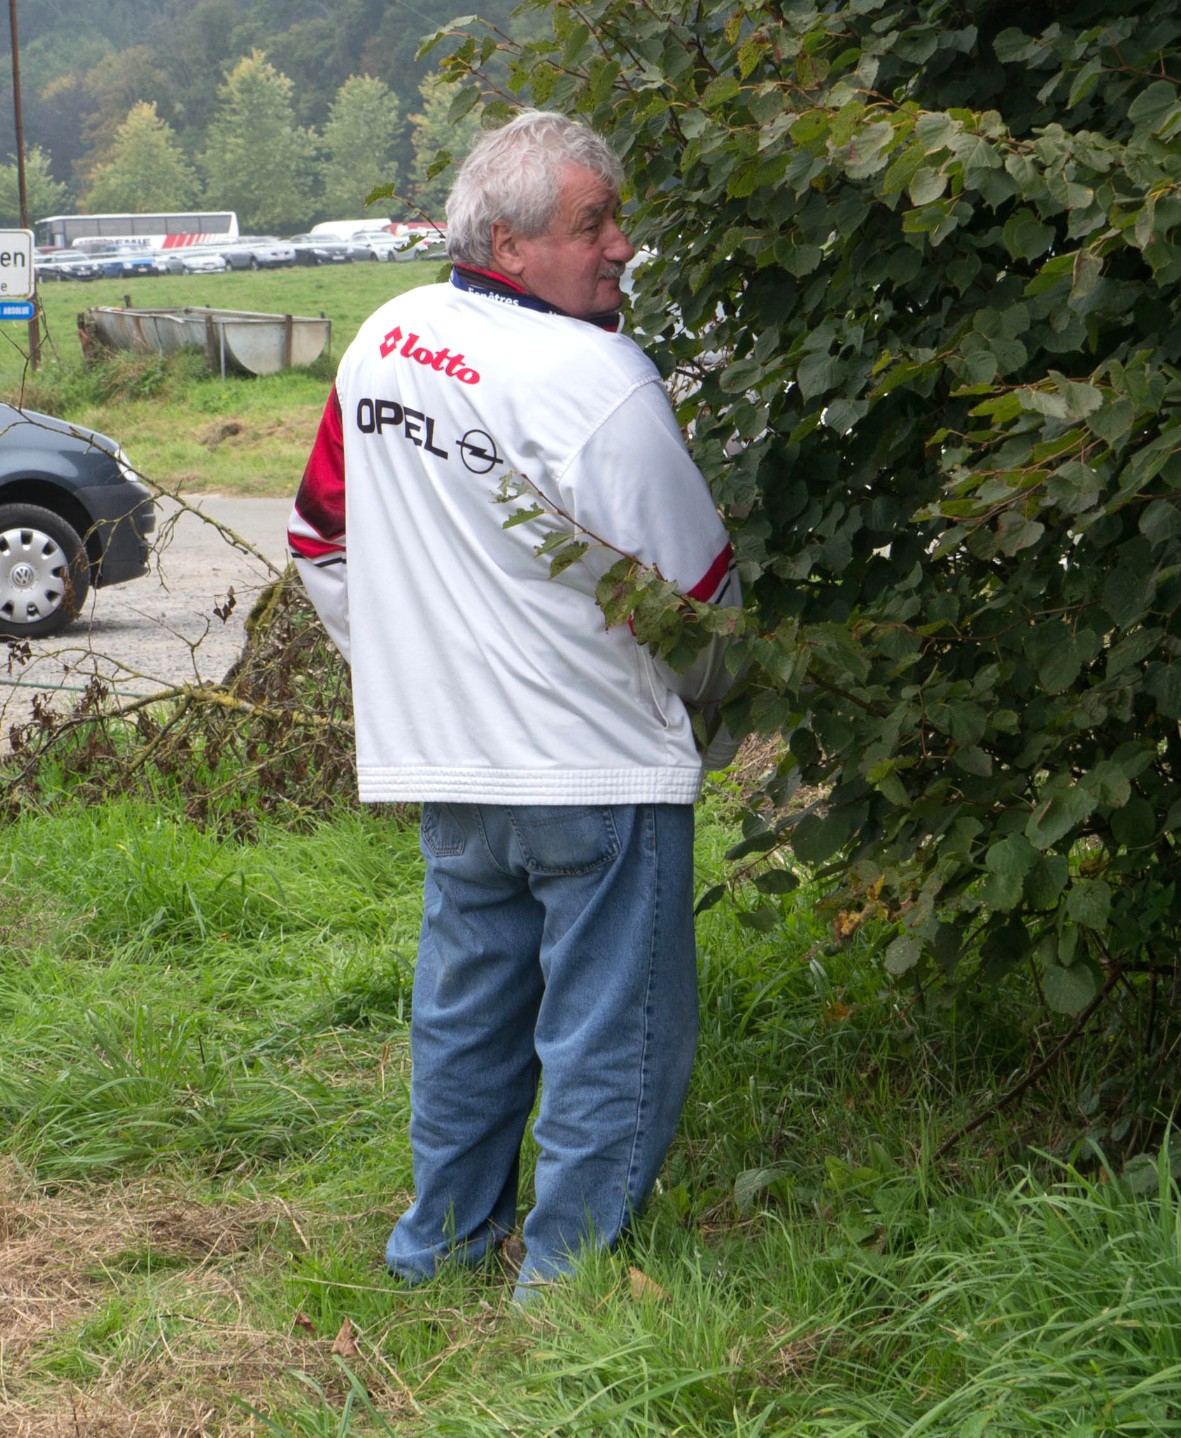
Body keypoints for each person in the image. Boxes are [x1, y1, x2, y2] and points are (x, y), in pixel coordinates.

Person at [286, 110, 741, 1296]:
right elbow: (703, 598)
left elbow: (319, 539)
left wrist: (415, 671)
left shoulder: (386, 341)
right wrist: (705, 710)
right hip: (595, 765)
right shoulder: (597, 379)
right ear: (507, 242)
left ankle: (437, 1253)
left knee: (467, 1018)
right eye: (594, 224)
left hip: (449, 763)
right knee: (612, 1035)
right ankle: (564, 1287)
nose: (622, 246)